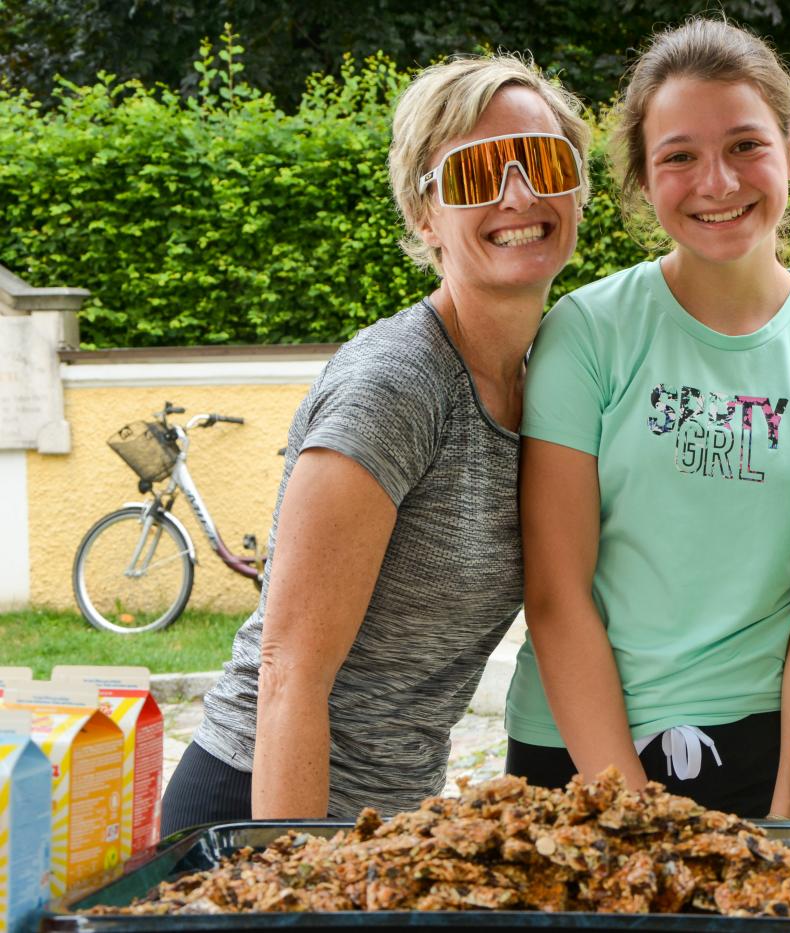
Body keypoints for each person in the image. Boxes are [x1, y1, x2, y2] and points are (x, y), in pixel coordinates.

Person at [161, 55, 592, 832]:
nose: (519, 194)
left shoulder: (547, 382)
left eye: (545, 162)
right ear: (425, 217)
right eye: (476, 173)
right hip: (267, 810)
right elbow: (289, 670)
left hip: (380, 820)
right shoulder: (397, 383)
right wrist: (299, 877)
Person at [503, 18, 790, 818]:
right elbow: (556, 594)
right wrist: (629, 807)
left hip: (765, 748)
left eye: (745, 146)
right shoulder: (586, 333)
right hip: (576, 750)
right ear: (643, 177)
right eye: (679, 156)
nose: (717, 183)